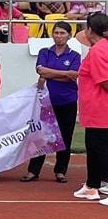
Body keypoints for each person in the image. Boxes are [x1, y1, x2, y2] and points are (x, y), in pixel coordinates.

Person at [23, 22, 80, 183]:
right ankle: (33, 171)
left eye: (62, 33)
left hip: (67, 101)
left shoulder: (74, 55)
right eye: (56, 33)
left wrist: (50, 74)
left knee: (65, 136)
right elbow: (41, 71)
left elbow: (73, 75)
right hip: (47, 101)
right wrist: (64, 73)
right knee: (41, 135)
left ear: (69, 36)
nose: (59, 36)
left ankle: (60, 171)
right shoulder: (45, 52)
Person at [75, 13, 108, 203]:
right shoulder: (99, 48)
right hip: (94, 110)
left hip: (100, 110)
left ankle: (96, 184)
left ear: (89, 30)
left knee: (101, 151)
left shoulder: (99, 51)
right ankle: (92, 185)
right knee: (94, 150)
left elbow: (104, 81)